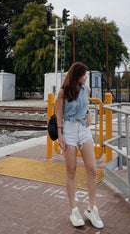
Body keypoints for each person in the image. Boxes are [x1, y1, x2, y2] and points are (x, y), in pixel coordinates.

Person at [56, 62, 104, 229]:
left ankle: (91, 208)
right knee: (71, 171)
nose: (86, 77)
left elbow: (86, 106)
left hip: (84, 130)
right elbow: (58, 113)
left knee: (92, 169)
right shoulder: (63, 92)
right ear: (76, 75)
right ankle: (73, 210)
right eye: (84, 74)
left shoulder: (87, 89)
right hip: (68, 130)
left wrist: (89, 113)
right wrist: (60, 134)